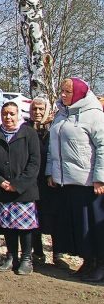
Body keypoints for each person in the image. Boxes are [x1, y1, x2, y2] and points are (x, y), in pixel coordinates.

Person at [48, 77, 104, 282]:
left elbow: (103, 147)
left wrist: (100, 177)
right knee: (79, 227)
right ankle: (88, 261)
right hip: (66, 181)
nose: (62, 95)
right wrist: (51, 172)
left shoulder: (94, 115)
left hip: (89, 182)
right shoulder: (61, 114)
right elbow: (52, 148)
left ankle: (101, 263)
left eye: (67, 92)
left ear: (79, 93)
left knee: (94, 226)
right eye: (61, 91)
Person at [0, 102, 41, 275]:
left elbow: (35, 162)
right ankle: (11, 256)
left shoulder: (29, 133)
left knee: (24, 227)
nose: (8, 117)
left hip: (24, 190)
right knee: (8, 225)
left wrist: (18, 184)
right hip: (1, 188)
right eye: (5, 114)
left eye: (12, 114)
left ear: (18, 114)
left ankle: (26, 259)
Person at [28, 95, 62, 265]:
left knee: (54, 217)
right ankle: (38, 252)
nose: (38, 112)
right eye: (35, 109)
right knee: (34, 217)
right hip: (32, 181)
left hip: (51, 180)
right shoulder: (25, 128)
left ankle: (58, 253)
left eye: (41, 109)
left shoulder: (55, 127)